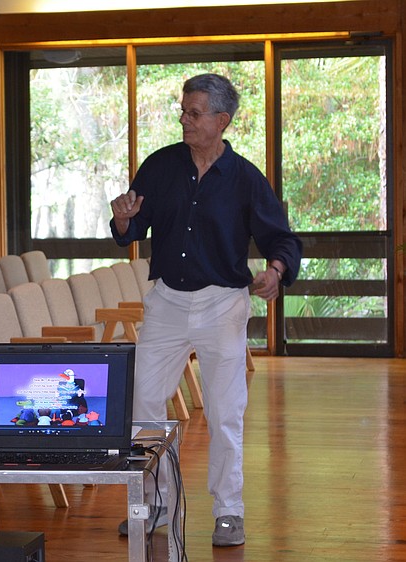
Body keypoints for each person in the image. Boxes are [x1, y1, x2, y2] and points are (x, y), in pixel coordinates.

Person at [109, 73, 302, 547]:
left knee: (224, 411)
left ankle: (228, 511)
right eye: (183, 110)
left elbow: (283, 238)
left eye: (194, 113)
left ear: (222, 120)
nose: (184, 119)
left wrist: (276, 270)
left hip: (222, 305)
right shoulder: (160, 166)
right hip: (167, 303)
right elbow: (132, 228)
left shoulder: (244, 178)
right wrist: (121, 219)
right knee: (143, 402)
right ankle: (155, 503)